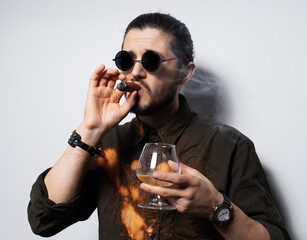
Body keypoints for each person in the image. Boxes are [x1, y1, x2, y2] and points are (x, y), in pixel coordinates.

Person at [27, 12, 290, 240]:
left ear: (185, 73)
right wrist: (90, 128)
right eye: (127, 60)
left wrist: (215, 207)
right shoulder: (107, 142)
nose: (136, 72)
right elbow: (45, 219)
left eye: (151, 61)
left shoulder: (230, 146)